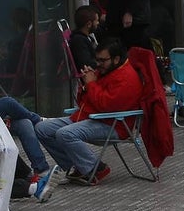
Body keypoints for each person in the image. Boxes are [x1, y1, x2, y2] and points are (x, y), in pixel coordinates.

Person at [35, 40, 143, 185]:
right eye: (96, 59)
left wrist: (91, 84)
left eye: (102, 60)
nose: (98, 64)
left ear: (116, 59)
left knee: (65, 134)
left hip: (113, 124)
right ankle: (77, 166)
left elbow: (105, 106)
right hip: (92, 117)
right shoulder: (107, 71)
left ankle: (94, 168)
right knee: (42, 128)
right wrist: (85, 85)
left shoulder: (126, 78)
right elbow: (85, 102)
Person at [70, 5, 101, 71]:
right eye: (97, 21)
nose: (98, 23)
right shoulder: (79, 41)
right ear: (89, 24)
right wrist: (101, 63)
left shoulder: (86, 37)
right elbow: (85, 63)